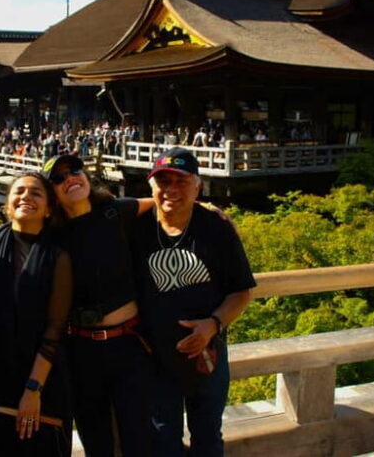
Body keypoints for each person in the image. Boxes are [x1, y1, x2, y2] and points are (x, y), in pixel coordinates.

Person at [132, 147, 256, 457]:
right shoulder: (136, 228)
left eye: (181, 181)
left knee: (208, 437)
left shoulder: (216, 228)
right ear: (151, 186)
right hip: (154, 357)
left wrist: (212, 325)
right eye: (164, 182)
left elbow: (241, 291)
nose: (171, 189)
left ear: (197, 186)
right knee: (163, 442)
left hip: (207, 356)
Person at [41, 154, 155, 457]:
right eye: (58, 178)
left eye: (75, 170)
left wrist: (210, 210)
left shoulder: (115, 212)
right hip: (80, 349)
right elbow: (5, 234)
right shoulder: (51, 235)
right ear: (51, 193)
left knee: (139, 435)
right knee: (95, 437)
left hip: (128, 343)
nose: (70, 178)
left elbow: (165, 203)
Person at [0, 172, 73, 457]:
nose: (26, 197)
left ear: (48, 209)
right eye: (19, 191)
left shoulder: (57, 257)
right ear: (7, 204)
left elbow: (55, 329)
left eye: (36, 193)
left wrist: (33, 389)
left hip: (37, 377)